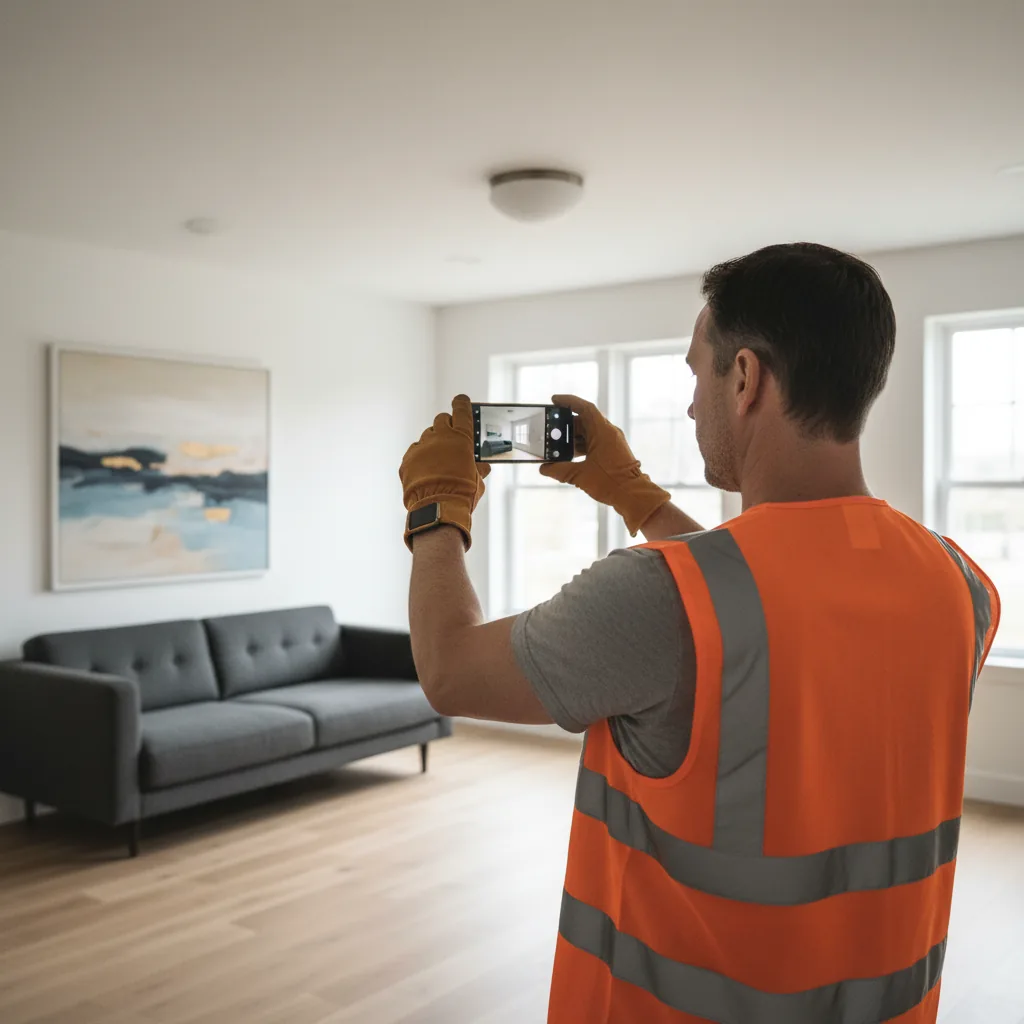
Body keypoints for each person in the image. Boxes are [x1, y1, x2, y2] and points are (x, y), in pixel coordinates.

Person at [398, 242, 1000, 1024]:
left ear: (745, 379)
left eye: (695, 374)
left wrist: (435, 505)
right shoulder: (960, 587)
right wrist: (632, 493)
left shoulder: (655, 600)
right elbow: (768, 593)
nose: (689, 405)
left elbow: (449, 669)